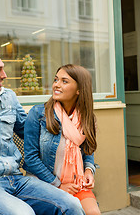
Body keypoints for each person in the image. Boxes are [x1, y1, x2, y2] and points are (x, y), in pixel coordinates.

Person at [0, 47, 85, 215]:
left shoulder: (9, 97)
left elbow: (29, 131)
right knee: (24, 213)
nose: (4, 75)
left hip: (18, 178)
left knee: (72, 205)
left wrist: (68, 122)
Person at [24, 64, 101, 215]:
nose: (56, 85)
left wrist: (88, 170)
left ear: (79, 90)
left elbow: (87, 151)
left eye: (64, 81)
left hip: (75, 183)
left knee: (93, 212)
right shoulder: (38, 114)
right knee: (72, 208)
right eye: (56, 80)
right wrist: (58, 184)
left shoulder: (87, 119)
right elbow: (30, 158)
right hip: (42, 183)